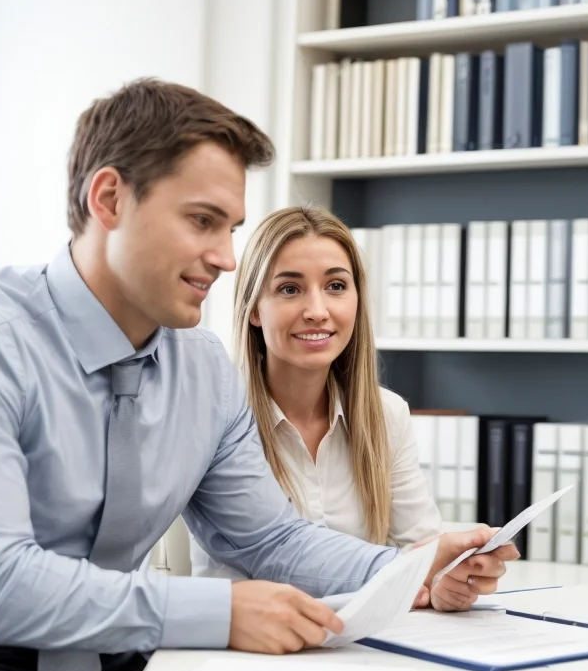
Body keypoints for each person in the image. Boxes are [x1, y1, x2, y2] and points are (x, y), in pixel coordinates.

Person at [0, 78, 515, 671]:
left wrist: (413, 568)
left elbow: (273, 542)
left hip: (116, 654)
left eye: (231, 229)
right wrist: (220, 614)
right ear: (108, 198)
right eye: (203, 221)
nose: (227, 258)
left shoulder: (202, 368)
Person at [189, 205, 507, 612]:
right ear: (253, 308)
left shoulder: (386, 414)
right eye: (290, 289)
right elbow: (270, 556)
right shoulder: (221, 419)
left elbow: (418, 544)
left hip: (365, 644)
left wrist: (446, 579)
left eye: (336, 286)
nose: (318, 310)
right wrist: (417, 569)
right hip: (253, 650)